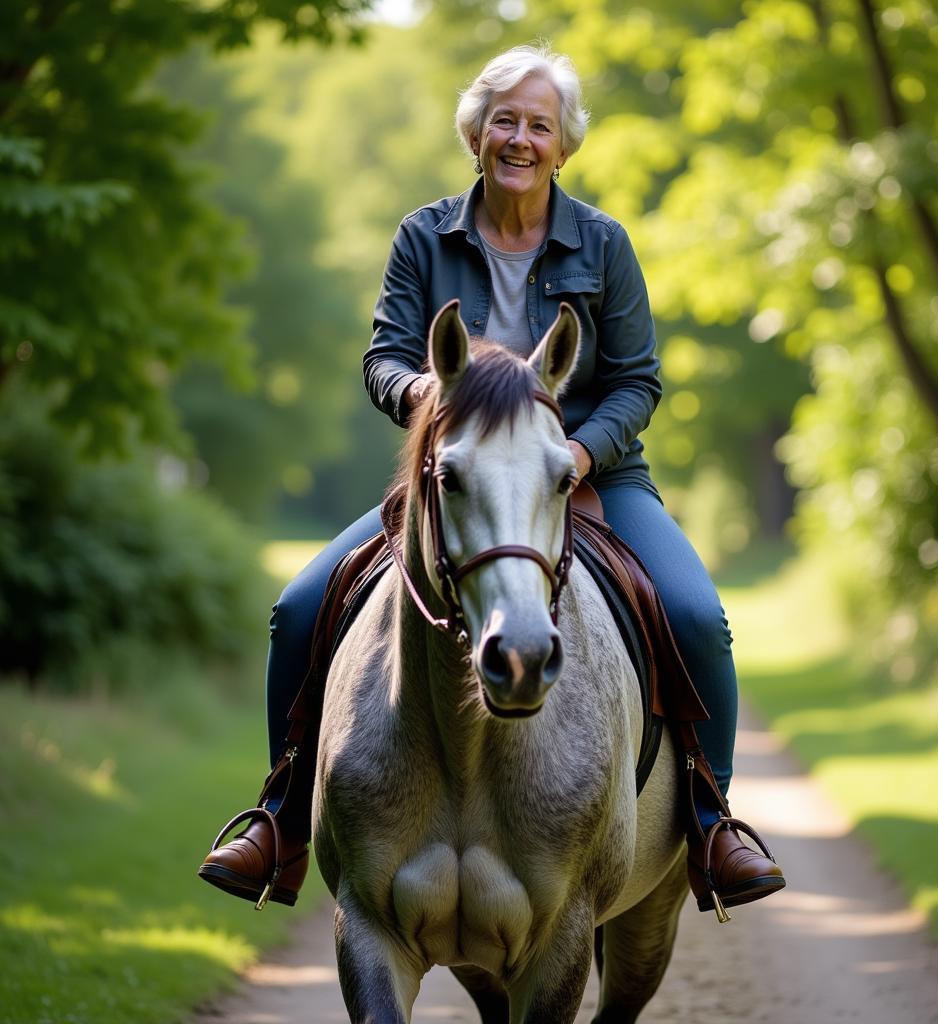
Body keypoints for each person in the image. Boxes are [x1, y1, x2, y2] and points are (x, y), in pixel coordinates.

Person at [198, 44, 785, 918]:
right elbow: (384, 359)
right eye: (504, 120)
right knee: (299, 605)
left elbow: (638, 380)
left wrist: (579, 453)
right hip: (461, 477)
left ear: (563, 144)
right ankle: (282, 818)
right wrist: (430, 395)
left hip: (586, 472)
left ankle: (710, 822)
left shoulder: (606, 244)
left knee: (697, 615)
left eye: (539, 125)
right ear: (476, 134)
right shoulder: (421, 236)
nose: (520, 138)